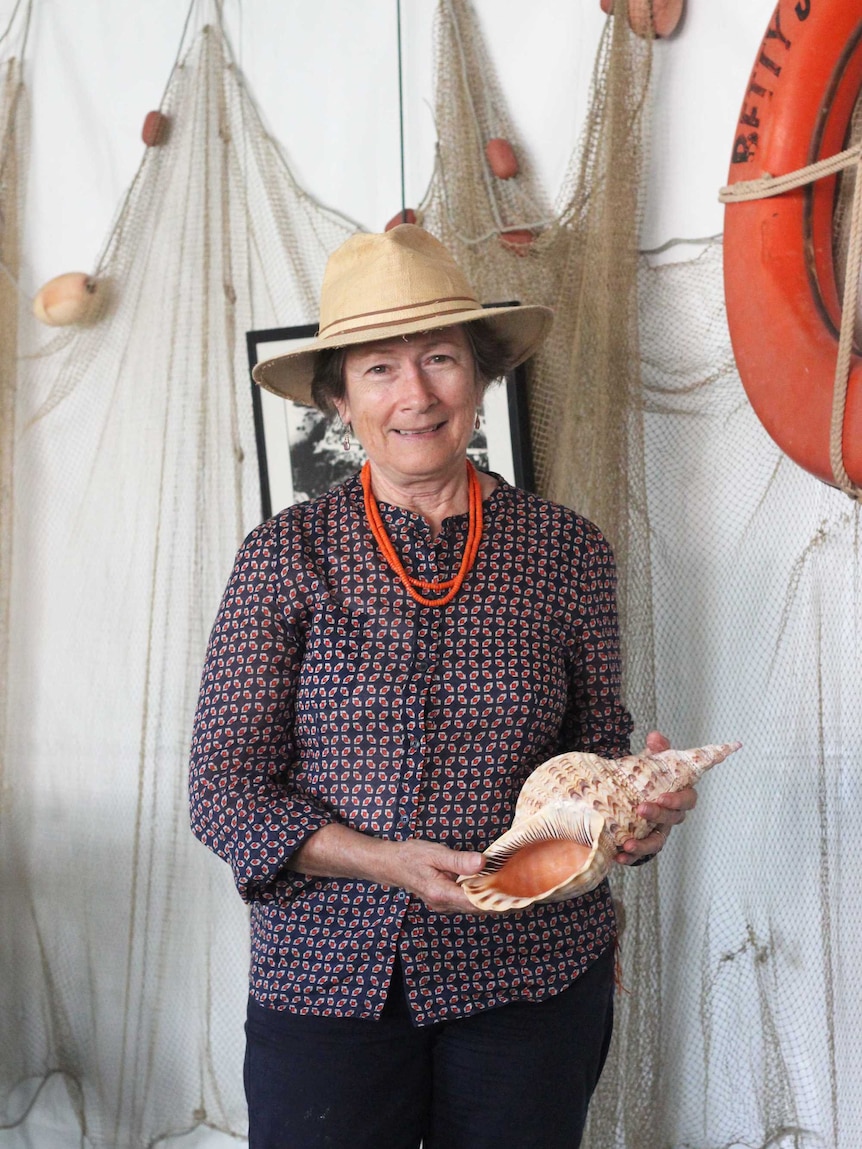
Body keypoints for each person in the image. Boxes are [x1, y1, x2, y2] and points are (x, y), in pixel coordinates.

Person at [189, 224, 696, 1149]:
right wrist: (385, 860)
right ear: (340, 399)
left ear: (480, 376)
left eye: (439, 359)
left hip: (531, 973)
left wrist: (637, 812)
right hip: (328, 973)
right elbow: (225, 791)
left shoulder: (567, 551)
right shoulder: (284, 557)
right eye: (379, 368)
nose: (415, 394)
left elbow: (595, 752)